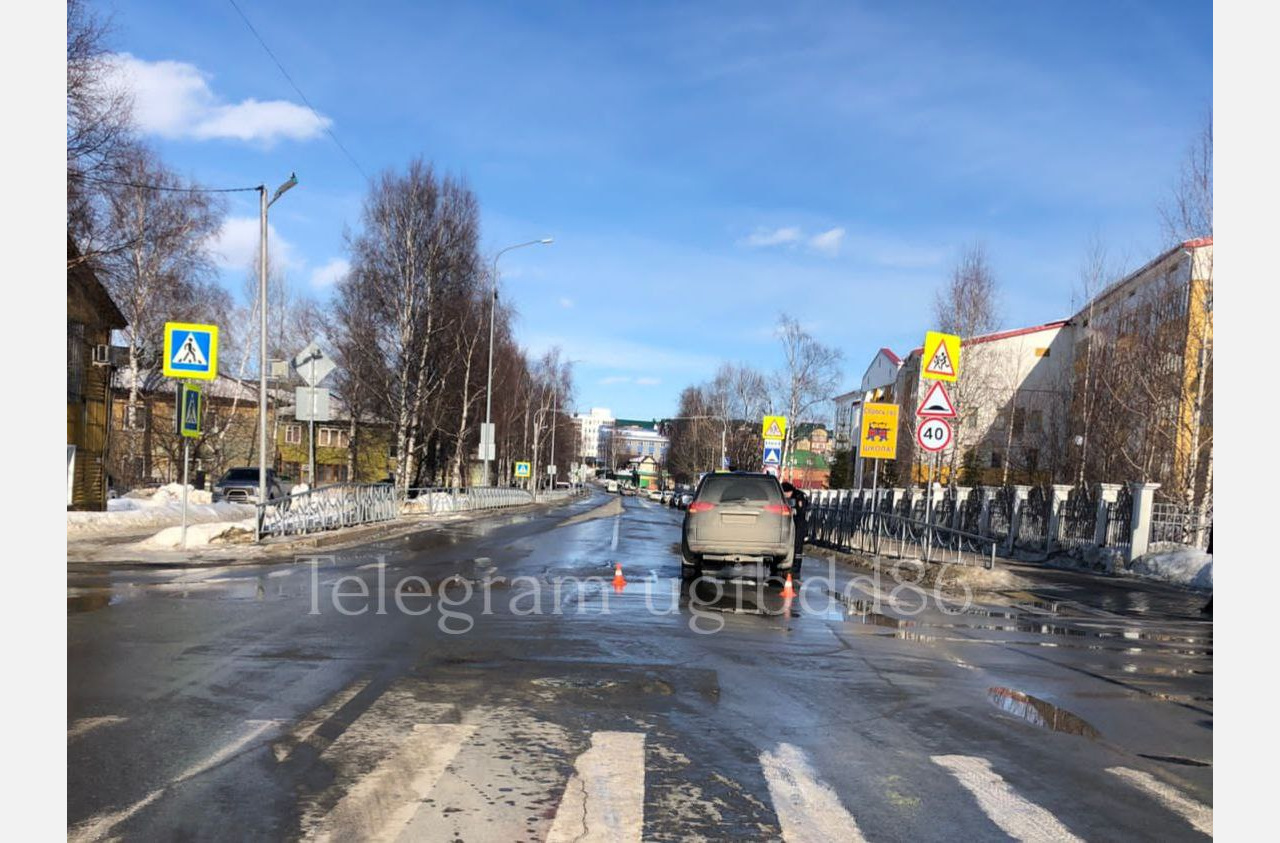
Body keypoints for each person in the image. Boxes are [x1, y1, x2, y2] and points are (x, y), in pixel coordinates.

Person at [780, 481, 809, 575]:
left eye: (785, 493)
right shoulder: (788, 497)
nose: (785, 496)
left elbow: (802, 511)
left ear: (789, 491)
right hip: (790, 524)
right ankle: (788, 565)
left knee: (797, 547)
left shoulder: (799, 496)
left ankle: (796, 568)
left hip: (799, 525)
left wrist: (794, 511)